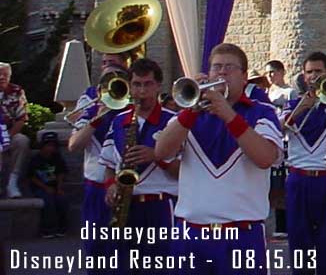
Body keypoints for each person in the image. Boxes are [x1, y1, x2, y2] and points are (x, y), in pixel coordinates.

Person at [154, 42, 283, 275]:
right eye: (216, 68)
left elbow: (265, 158)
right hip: (190, 234)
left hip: (241, 235)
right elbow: (161, 152)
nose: (222, 73)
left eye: (230, 67)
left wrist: (228, 114)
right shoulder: (189, 115)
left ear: (244, 77)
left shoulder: (262, 112)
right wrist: (191, 110)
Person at [99, 58, 179, 268]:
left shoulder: (174, 121)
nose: (142, 91)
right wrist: (111, 186)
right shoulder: (119, 121)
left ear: (158, 86)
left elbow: (185, 172)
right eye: (136, 84)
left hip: (160, 206)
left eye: (148, 84)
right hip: (126, 208)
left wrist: (157, 155)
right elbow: (108, 166)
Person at [281, 51, 326, 275]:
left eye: (318, 72)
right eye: (309, 72)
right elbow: (279, 129)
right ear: (303, 75)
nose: (313, 76)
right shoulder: (292, 104)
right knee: (299, 241)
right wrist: (303, 106)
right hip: (298, 180)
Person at [67, 50, 130, 264]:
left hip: (128, 186)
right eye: (103, 64)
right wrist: (96, 118)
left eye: (112, 64)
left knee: (126, 253)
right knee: (96, 250)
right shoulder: (92, 104)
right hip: (96, 184)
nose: (105, 67)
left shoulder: (133, 105)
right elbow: (74, 145)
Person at [26, 131, 70, 237]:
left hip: (55, 187)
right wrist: (45, 188)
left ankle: (62, 228)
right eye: (48, 145)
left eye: (53, 145)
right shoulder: (36, 159)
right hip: (40, 187)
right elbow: (31, 177)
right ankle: (48, 229)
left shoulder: (57, 158)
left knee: (62, 200)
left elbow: (61, 173)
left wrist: (59, 188)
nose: (50, 148)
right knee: (48, 201)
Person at [0, 61, 30, 198]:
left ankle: (12, 182)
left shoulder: (16, 91)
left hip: (9, 133)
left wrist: (7, 137)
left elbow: (21, 118)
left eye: (5, 75)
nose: (2, 77)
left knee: (22, 141)